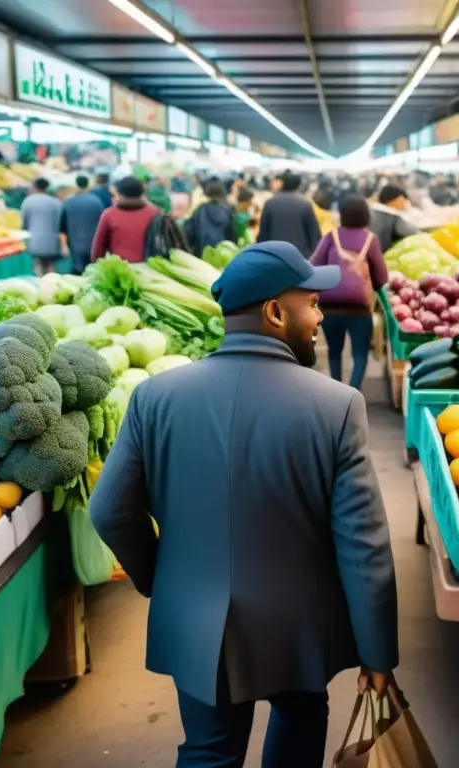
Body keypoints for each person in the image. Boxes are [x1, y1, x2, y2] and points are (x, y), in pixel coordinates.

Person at [90, 240, 398, 767]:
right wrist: (377, 653)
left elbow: (109, 510)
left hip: (197, 617)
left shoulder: (155, 397)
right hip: (298, 623)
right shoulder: (335, 405)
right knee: (301, 726)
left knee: (209, 750)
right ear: (276, 312)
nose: (320, 316)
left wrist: (160, 579)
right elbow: (362, 545)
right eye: (313, 303)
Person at [310, 195, 388, 390]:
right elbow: (382, 276)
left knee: (334, 351)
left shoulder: (331, 237)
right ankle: (353, 392)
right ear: (366, 216)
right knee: (360, 353)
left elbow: (314, 266)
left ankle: (337, 391)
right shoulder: (371, 240)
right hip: (359, 309)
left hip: (330, 307)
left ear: (342, 215)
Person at [91, 176, 160, 264]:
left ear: (120, 193)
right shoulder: (154, 212)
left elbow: (99, 247)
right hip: (149, 269)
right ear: (142, 193)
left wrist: (96, 264)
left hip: (121, 268)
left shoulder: (109, 214)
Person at [257, 172, 321, 258]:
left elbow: (263, 232)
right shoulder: (305, 204)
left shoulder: (270, 203)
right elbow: (313, 233)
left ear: (283, 183)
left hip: (275, 254)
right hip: (300, 255)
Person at [60, 175, 105, 275]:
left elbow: (62, 227)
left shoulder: (69, 202)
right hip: (93, 243)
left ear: (76, 185)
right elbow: (102, 223)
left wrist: (63, 246)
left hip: (75, 244)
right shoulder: (97, 201)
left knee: (78, 271)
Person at [21, 178, 64, 276]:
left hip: (35, 241)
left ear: (35, 187)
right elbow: (60, 223)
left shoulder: (28, 201)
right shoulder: (56, 202)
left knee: (38, 265)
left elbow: (24, 222)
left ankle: (40, 286)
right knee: (51, 267)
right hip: (52, 242)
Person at [184, 180, 235, 255]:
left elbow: (188, 231)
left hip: (202, 252)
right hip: (224, 253)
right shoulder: (229, 210)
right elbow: (233, 233)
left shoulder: (201, 209)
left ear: (208, 193)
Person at [369, 184, 418, 253]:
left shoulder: (371, 212)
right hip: (381, 256)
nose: (406, 203)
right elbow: (412, 233)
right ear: (396, 199)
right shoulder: (392, 216)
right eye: (404, 199)